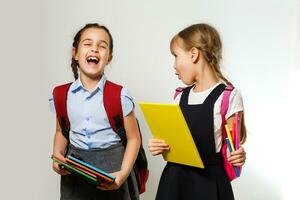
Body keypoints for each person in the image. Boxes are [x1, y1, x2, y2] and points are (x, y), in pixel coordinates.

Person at [148, 23, 247, 200]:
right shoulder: (179, 97)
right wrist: (160, 146)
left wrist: (239, 155)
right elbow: (174, 144)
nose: (174, 65)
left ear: (193, 54)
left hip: (209, 186)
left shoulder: (228, 97)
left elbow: (233, 148)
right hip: (174, 183)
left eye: (176, 56)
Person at [49, 23, 140, 200]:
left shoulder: (120, 95)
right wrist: (57, 156)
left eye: (102, 46)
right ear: (75, 54)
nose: (95, 49)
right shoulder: (61, 94)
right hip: (75, 171)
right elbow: (61, 131)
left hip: (113, 169)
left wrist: (122, 174)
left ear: (109, 58)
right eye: (88, 44)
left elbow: (133, 138)